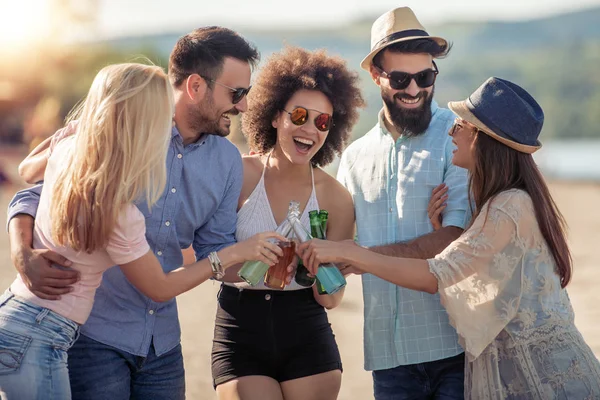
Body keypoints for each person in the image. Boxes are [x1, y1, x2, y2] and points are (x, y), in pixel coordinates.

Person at [299, 77, 600, 399]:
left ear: (484, 139)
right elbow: (474, 286)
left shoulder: (509, 206)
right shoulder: (501, 204)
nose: (451, 132)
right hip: (527, 373)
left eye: (460, 126)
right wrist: (440, 232)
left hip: (544, 380)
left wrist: (357, 255)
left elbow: (436, 276)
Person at [0, 63, 285, 399]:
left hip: (21, 320)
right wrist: (235, 253)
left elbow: (27, 170)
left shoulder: (69, 154)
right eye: (161, 116)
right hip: (50, 335)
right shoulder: (119, 211)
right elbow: (160, 287)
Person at [212, 46, 364, 400]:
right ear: (274, 116)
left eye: (322, 121)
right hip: (239, 329)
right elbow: (209, 258)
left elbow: (333, 298)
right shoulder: (240, 175)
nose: (310, 128)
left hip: (307, 334)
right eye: (299, 115)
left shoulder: (336, 198)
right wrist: (248, 256)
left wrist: (318, 270)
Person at [334, 7, 470, 399]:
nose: (414, 89)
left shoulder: (457, 138)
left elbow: (453, 240)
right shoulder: (354, 157)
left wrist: (361, 257)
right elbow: (337, 244)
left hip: (454, 347)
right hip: (388, 356)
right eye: (400, 78)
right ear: (376, 75)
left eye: (425, 77)